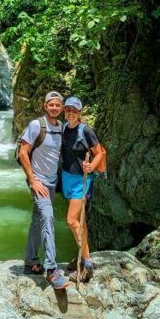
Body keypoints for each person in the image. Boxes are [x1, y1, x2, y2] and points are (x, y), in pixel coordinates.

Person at [17, 90, 69, 290]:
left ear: (61, 108)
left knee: (38, 221)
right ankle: (51, 269)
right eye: (51, 105)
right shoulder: (36, 125)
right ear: (45, 106)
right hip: (38, 182)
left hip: (52, 182)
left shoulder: (61, 128)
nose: (54, 108)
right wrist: (33, 180)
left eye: (57, 105)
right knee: (48, 218)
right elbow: (23, 152)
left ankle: (30, 261)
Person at [60, 96, 105, 282]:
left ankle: (86, 264)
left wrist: (92, 166)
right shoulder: (63, 128)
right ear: (65, 111)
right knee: (81, 222)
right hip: (67, 178)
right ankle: (85, 254)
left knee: (71, 220)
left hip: (81, 181)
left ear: (80, 113)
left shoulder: (85, 130)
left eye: (74, 110)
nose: (71, 113)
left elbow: (100, 152)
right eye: (68, 110)